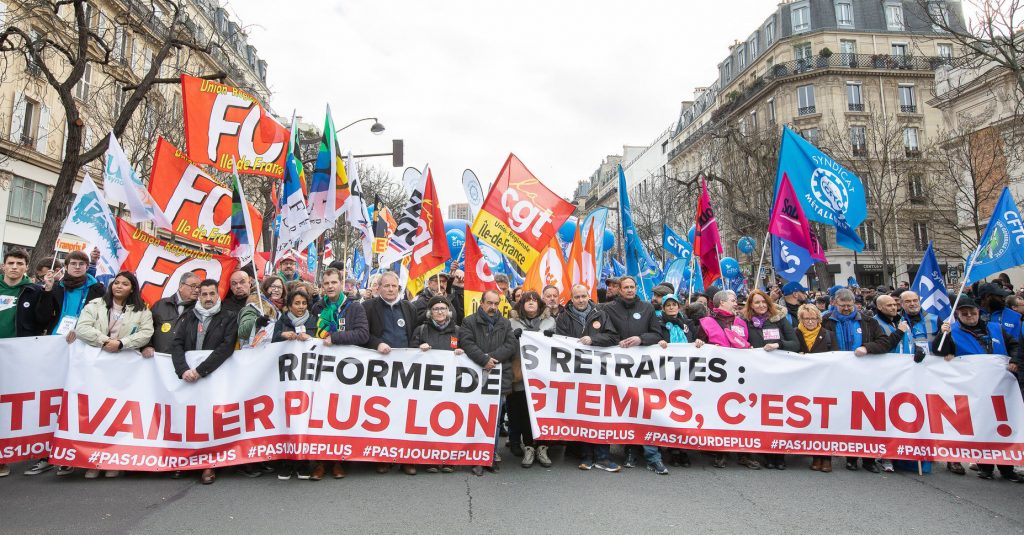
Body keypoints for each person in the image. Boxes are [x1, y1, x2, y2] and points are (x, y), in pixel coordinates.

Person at [73, 272, 155, 479]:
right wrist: (104, 341)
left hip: (124, 368)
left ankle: (114, 459)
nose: (118, 286)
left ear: (132, 288)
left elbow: (146, 333)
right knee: (96, 413)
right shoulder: (96, 304)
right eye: (116, 283)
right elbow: (82, 328)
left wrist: (121, 344)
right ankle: (93, 462)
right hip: (96, 366)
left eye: (124, 284)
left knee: (118, 414)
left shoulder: (142, 309)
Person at [933, 296, 1022, 480]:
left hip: (1001, 388)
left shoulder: (996, 328)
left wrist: (1014, 360)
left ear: (978, 312)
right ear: (957, 314)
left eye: (972, 312)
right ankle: (985, 467)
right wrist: (943, 335)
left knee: (1003, 427)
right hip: (974, 389)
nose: (969, 315)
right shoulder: (952, 331)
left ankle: (1007, 468)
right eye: (964, 313)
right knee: (982, 425)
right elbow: (940, 351)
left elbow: (1015, 346)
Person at [170, 279, 239, 485]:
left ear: (218, 295)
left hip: (213, 376)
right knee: (188, 419)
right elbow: (177, 343)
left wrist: (201, 370)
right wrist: (183, 370)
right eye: (204, 294)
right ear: (198, 295)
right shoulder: (188, 316)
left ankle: (209, 464)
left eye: (212, 294)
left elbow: (226, 347)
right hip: (188, 378)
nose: (208, 298)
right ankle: (187, 460)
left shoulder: (228, 317)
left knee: (210, 420)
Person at [304, 268, 369, 481]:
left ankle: (339, 460)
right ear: (322, 286)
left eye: (334, 282)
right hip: (321, 370)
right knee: (320, 414)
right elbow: (312, 333)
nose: (330, 286)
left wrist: (336, 338)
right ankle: (320, 462)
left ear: (341, 284)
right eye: (326, 283)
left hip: (346, 371)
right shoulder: (317, 307)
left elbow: (362, 334)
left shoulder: (354, 307)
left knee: (341, 414)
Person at [602, 275, 669, 475]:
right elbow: (606, 334)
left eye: (632, 287)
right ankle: (629, 449)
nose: (630, 290)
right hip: (617, 368)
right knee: (622, 408)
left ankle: (652, 456)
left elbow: (657, 334)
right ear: (619, 290)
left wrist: (641, 339)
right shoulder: (608, 309)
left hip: (643, 368)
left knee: (646, 409)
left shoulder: (647, 308)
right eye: (626, 287)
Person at [552, 284, 620, 471]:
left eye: (583, 296)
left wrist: (593, 340)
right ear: (571, 299)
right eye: (577, 297)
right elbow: (561, 344)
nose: (581, 300)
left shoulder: (601, 314)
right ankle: (586, 456)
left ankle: (604, 456)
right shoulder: (564, 317)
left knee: (601, 414)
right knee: (580, 413)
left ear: (588, 296)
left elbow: (613, 337)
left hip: (600, 374)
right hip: (576, 373)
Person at [822, 288, 889, 473]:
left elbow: (885, 341)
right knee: (843, 416)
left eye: (849, 306)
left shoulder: (868, 321)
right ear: (834, 303)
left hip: (863, 377)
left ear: (855, 305)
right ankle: (850, 458)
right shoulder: (825, 320)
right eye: (842, 305)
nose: (846, 309)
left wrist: (868, 347)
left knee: (864, 418)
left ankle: (867, 459)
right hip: (835, 376)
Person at [362, 271, 419, 475]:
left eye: (394, 286)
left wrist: (417, 350)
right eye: (386, 286)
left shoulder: (408, 307)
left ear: (399, 288)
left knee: (405, 414)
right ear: (378, 288)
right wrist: (377, 343)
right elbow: (363, 333)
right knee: (382, 414)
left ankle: (406, 458)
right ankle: (382, 457)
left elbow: (414, 334)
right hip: (379, 369)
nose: (390, 290)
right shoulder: (367, 307)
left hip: (405, 370)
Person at [694, 289, 757, 469]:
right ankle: (721, 452)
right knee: (720, 414)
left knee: (742, 413)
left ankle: (744, 453)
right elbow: (698, 345)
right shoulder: (706, 322)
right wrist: (699, 344)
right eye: (733, 300)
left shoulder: (741, 323)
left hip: (740, 375)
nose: (736, 303)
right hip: (717, 377)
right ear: (722, 303)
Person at [459, 289, 519, 476]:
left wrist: (490, 358)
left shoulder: (505, 323)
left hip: (498, 379)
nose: (493, 307)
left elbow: (510, 346)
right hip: (475, 379)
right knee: (476, 419)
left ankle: (490, 456)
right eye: (489, 303)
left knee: (494, 421)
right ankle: (476, 458)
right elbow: (466, 343)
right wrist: (482, 359)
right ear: (482, 303)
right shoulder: (469, 321)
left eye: (496, 303)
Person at [741, 288, 799, 470]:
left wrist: (778, 345)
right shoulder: (745, 322)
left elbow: (795, 344)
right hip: (755, 375)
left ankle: (778, 454)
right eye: (756, 302)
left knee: (776, 414)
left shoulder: (779, 320)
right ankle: (765, 452)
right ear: (751, 305)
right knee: (759, 414)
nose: (760, 305)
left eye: (763, 302)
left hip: (778, 375)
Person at [0, 249, 45, 478]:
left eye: (19, 263)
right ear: (3, 265)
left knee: (10, 407)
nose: (15, 267)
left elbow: (43, 319)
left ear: (26, 267)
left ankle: (4, 458)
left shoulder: (33, 290)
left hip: (18, 355)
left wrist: (47, 293)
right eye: (11, 263)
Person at [412, 295, 463, 473]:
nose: (439, 312)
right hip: (428, 385)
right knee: (428, 420)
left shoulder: (458, 331)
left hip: (451, 385)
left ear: (448, 311)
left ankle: (448, 458)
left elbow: (469, 351)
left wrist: (462, 353)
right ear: (429, 313)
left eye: (442, 308)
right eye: (435, 309)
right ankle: (430, 458)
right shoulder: (421, 330)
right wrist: (419, 349)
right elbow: (409, 354)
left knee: (449, 422)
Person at [508, 291, 556, 468]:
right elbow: (506, 344)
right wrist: (513, 337)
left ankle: (543, 447)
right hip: (522, 375)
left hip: (544, 376)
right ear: (521, 304)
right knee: (525, 412)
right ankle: (529, 446)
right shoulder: (512, 322)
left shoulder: (550, 321)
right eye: (527, 300)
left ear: (539, 304)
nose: (530, 303)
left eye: (534, 300)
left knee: (544, 410)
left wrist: (552, 338)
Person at [794, 304, 837, 473]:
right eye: (806, 319)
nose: (810, 322)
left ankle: (825, 457)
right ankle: (812, 454)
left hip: (823, 383)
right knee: (807, 420)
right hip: (802, 383)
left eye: (813, 318)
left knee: (823, 421)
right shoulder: (795, 333)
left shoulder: (828, 335)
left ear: (819, 319)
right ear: (801, 319)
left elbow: (836, 355)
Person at [35, 250, 105, 338]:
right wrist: (47, 290)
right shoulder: (56, 287)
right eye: (73, 263)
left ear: (87, 267)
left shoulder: (97, 290)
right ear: (66, 267)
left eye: (81, 264)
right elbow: (42, 317)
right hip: (55, 337)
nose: (77, 267)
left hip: (83, 339)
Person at [147, 272, 199, 354]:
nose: (197, 290)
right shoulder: (160, 305)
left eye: (199, 287)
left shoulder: (199, 310)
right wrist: (147, 346)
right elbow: (146, 328)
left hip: (183, 362)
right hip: (157, 360)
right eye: (193, 286)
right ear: (181, 286)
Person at [238, 276, 286, 348]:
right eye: (273, 286)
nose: (276, 290)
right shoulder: (254, 306)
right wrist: (256, 322)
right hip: (254, 354)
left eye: (279, 287)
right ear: (266, 287)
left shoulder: (281, 311)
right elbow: (243, 331)